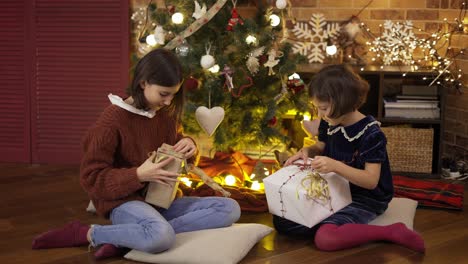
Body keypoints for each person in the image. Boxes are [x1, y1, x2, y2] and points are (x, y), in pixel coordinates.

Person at [31, 48, 241, 259]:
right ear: (143, 83)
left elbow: (176, 150)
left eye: (173, 95)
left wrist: (187, 145)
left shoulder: (164, 115)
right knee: (161, 237)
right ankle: (86, 233)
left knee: (230, 208)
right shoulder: (111, 122)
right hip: (123, 202)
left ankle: (128, 237)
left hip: (161, 201)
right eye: (163, 94)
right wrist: (138, 175)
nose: (168, 102)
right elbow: (91, 179)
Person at [274, 64, 425, 253]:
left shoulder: (371, 134)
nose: (319, 114)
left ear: (343, 102)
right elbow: (321, 146)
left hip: (365, 198)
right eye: (317, 108)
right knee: (283, 222)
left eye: (323, 108)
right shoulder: (329, 122)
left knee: (326, 238)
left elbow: (371, 181)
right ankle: (333, 224)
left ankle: (389, 231)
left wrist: (335, 166)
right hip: (335, 190)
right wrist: (307, 151)